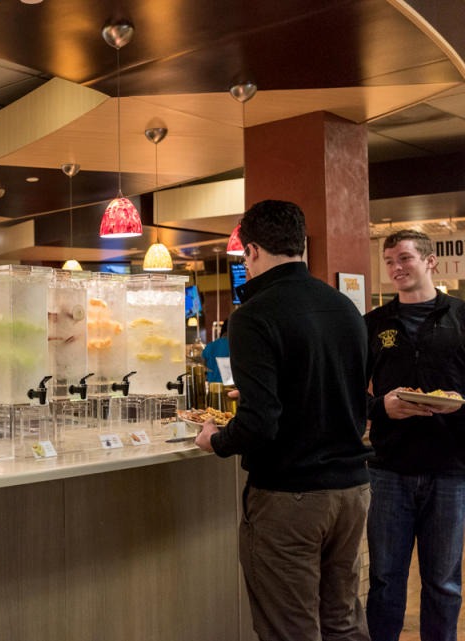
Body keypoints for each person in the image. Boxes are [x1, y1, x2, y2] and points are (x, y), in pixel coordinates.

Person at [195, 200, 373, 641]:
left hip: (291, 496)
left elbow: (260, 425)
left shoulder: (254, 315)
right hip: (352, 491)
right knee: (344, 622)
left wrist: (216, 440)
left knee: (291, 629)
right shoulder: (345, 309)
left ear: (251, 251)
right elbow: (342, 394)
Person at [364, 230, 465, 641]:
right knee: (386, 581)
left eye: (404, 258)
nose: (395, 268)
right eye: (388, 261)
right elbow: (348, 390)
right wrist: (379, 408)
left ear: (430, 262)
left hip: (451, 468)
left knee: (443, 582)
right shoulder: (374, 324)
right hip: (389, 469)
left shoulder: (461, 317)